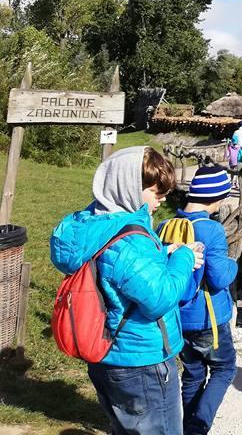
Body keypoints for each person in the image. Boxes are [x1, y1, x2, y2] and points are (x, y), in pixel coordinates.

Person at [50, 147, 203, 435]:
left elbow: (121, 274)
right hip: (141, 361)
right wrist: (183, 257)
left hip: (107, 356)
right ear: (130, 187)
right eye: (156, 193)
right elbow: (160, 297)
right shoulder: (129, 242)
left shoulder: (97, 225)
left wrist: (162, 254)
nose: (161, 200)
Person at [157, 165, 238, 435]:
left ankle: (183, 426)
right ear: (216, 196)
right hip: (208, 318)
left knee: (192, 374)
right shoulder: (211, 229)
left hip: (177, 317)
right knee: (224, 369)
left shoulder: (164, 225)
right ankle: (197, 427)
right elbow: (218, 278)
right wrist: (233, 265)